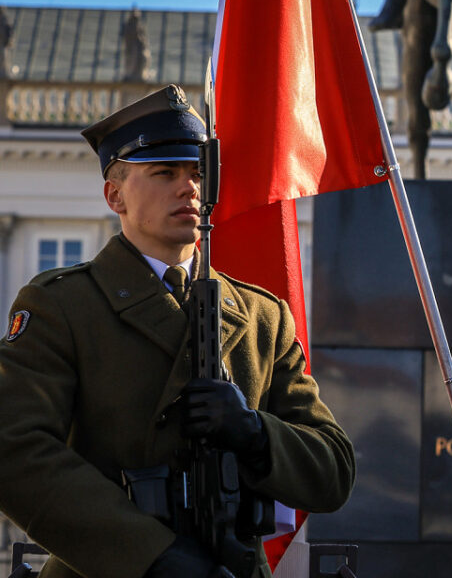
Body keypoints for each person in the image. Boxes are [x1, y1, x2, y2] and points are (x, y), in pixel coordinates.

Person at [0, 86, 354, 578]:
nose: (189, 187)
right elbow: (14, 450)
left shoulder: (261, 316)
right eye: (165, 173)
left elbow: (334, 470)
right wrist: (153, 556)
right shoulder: (63, 305)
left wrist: (255, 432)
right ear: (114, 194)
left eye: (197, 173)